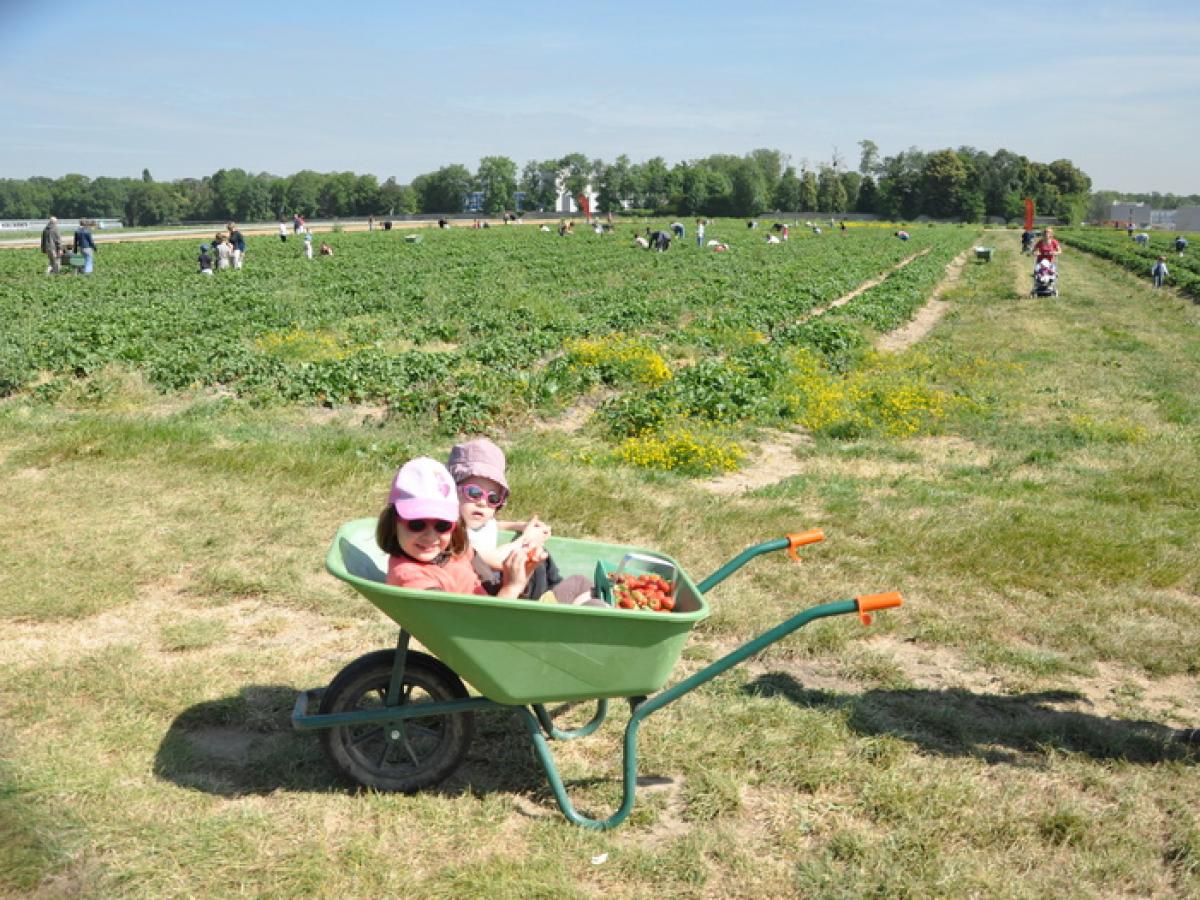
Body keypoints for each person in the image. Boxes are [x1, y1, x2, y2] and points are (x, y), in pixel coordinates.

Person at [378, 457, 600, 605]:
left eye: (442, 525)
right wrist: (513, 587)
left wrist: (523, 570)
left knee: (582, 583)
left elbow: (489, 585)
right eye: (416, 524)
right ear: (393, 522)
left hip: (507, 608)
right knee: (596, 608)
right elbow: (474, 628)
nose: (430, 536)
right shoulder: (412, 577)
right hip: (508, 631)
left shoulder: (454, 553)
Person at [446, 438, 594, 604]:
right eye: (473, 492)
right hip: (500, 592)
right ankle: (554, 603)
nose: (482, 502)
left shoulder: (477, 519)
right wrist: (526, 539)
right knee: (537, 556)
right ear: (451, 491)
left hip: (507, 586)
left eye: (493, 498)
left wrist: (522, 526)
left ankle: (558, 594)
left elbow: (495, 525)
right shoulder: (451, 532)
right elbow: (496, 559)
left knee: (574, 578)